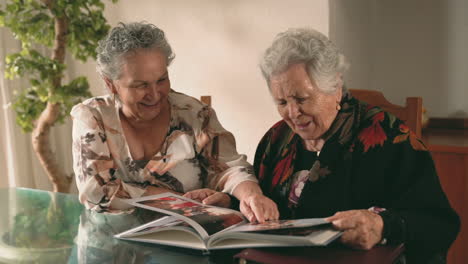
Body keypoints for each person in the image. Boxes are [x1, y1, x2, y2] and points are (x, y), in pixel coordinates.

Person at [254, 28, 459, 263]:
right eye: (281, 101)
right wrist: (233, 200)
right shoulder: (276, 139)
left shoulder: (391, 138)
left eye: (301, 99)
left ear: (335, 86)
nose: (292, 114)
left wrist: (382, 226)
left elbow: (438, 224)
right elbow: (264, 203)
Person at [71, 22, 278, 222]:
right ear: (111, 84)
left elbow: (230, 168)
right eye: (140, 85)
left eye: (161, 80)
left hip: (185, 242)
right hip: (114, 248)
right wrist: (177, 200)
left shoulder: (193, 113)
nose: (155, 94)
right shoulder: (92, 117)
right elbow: (96, 192)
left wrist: (251, 196)